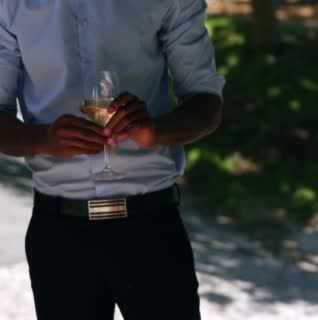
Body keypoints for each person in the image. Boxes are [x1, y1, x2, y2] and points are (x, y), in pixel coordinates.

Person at [0, 1, 224, 319]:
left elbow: (207, 102)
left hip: (152, 230)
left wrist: (156, 131)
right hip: (59, 235)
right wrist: (43, 139)